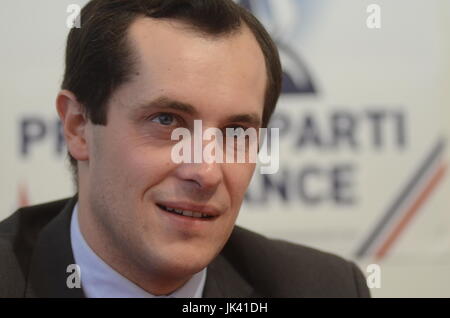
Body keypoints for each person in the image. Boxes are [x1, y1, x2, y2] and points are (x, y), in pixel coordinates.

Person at [0, 0, 370, 298]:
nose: (205, 172)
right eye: (167, 121)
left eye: (236, 132)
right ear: (78, 127)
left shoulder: (324, 288)